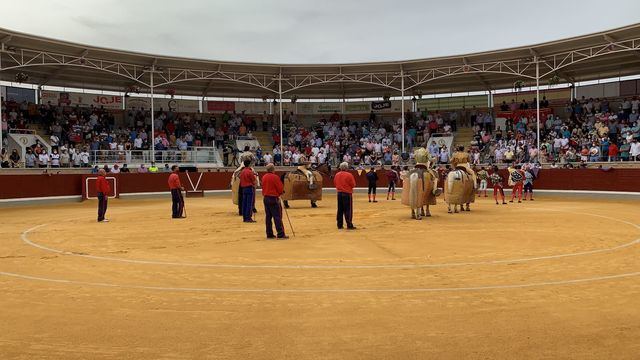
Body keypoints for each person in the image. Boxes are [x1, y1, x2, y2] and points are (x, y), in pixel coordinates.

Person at [261, 163, 288, 239]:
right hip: (273, 199)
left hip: (266, 198)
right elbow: (280, 188)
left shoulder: (264, 177)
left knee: (268, 217)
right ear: (273, 169)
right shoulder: (275, 177)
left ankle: (269, 233)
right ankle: (280, 234)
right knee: (277, 216)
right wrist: (281, 192)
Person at [334, 162, 356, 230]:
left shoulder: (337, 174)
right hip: (347, 194)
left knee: (340, 209)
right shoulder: (349, 175)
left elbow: (335, 183)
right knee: (348, 209)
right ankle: (349, 224)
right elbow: (353, 185)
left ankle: (339, 225)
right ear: (346, 168)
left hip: (339, 193)